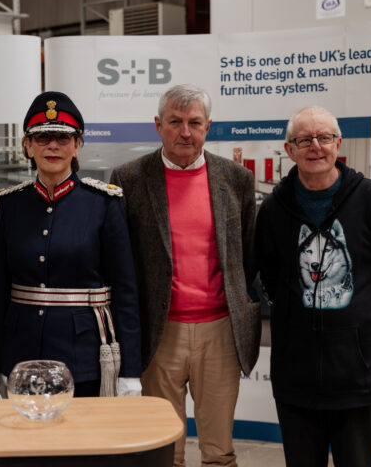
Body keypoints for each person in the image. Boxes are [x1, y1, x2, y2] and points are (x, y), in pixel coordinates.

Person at [255, 106, 371, 467]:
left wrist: (366, 322)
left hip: (358, 377)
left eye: (324, 137)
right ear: (289, 149)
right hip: (295, 376)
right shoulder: (272, 210)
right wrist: (295, 316)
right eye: (304, 139)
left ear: (338, 143)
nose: (315, 146)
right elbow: (267, 278)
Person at [110, 84, 260, 467]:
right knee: (164, 451)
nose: (185, 132)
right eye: (175, 122)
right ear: (158, 125)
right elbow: (121, 261)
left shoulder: (236, 180)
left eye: (194, 123)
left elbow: (248, 256)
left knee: (219, 451)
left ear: (208, 126)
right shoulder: (130, 178)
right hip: (160, 333)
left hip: (220, 331)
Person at [0, 91, 142, 398]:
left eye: (63, 138)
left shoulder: (103, 203)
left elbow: (125, 293)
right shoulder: (11, 205)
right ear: (27, 146)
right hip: (24, 356)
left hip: (84, 357)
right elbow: (2, 292)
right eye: (43, 137)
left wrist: (131, 372)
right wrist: (1, 362)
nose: (52, 146)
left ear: (77, 146)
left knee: (82, 444)